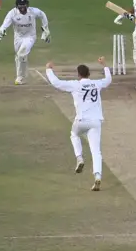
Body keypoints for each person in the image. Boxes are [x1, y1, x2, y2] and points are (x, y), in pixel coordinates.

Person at [45, 58, 111, 191]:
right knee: (96, 151)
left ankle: (79, 158)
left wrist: (48, 69)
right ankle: (97, 176)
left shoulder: (75, 85)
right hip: (96, 121)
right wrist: (105, 66)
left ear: (79, 75)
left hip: (81, 120)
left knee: (74, 134)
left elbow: (56, 83)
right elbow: (108, 80)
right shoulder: (96, 84)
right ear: (89, 74)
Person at [0, 0, 51, 85]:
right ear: (17, 6)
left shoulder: (33, 11)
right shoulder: (12, 13)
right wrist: (2, 30)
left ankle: (20, 78)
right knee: (19, 57)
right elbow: (5, 23)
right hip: (18, 37)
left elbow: (42, 15)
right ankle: (21, 76)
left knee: (21, 54)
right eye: (20, 7)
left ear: (27, 5)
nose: (22, 9)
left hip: (30, 36)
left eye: (24, 6)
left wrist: (46, 28)